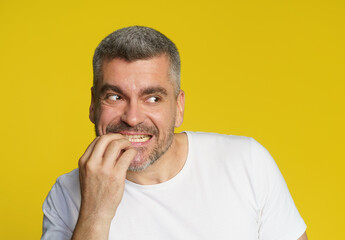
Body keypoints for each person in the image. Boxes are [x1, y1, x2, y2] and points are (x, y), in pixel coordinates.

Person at [41, 26, 308, 240]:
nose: (132, 118)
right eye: (114, 96)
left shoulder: (247, 162)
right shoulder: (66, 195)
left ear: (178, 107)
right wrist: (95, 213)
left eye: (153, 98)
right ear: (92, 105)